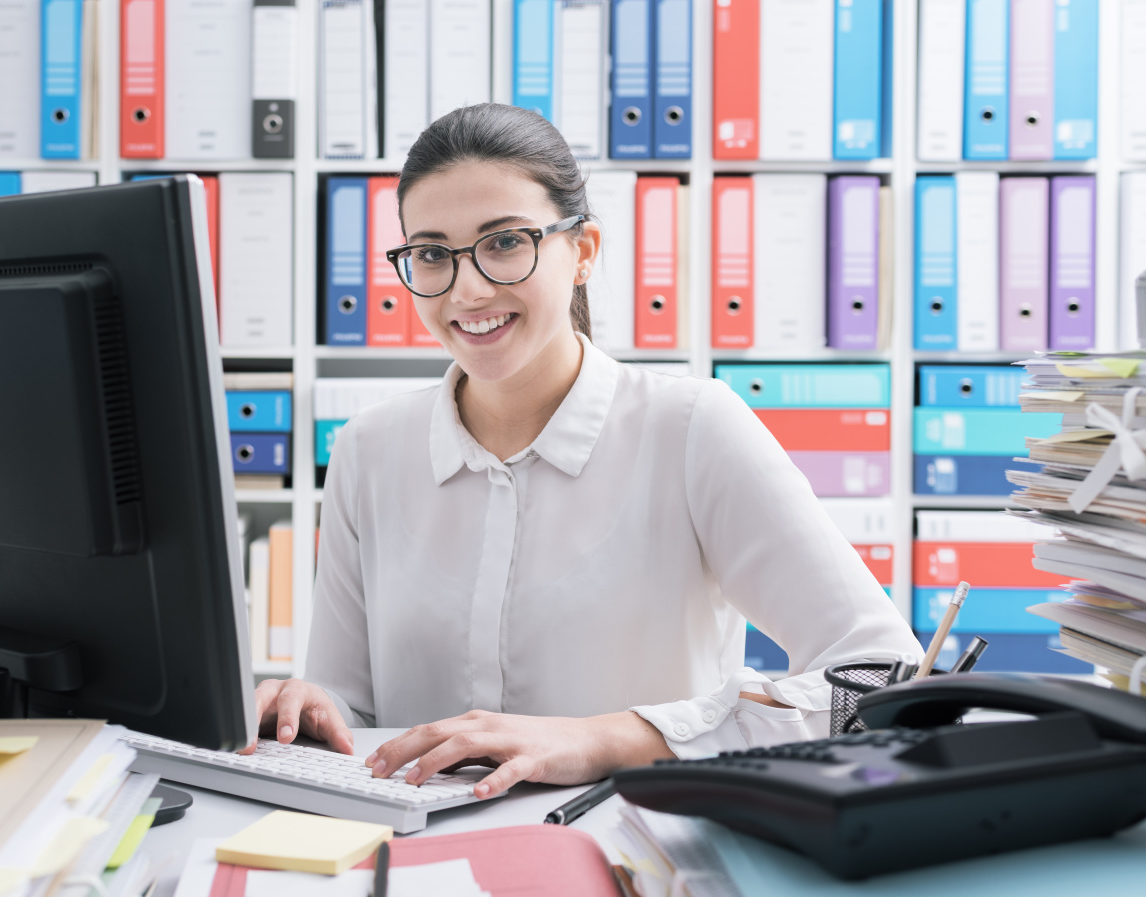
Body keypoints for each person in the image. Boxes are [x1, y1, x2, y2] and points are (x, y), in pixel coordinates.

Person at [244, 103, 918, 798]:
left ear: (584, 251)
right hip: (416, 867)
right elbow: (349, 713)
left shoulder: (690, 428)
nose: (467, 288)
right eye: (432, 254)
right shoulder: (368, 451)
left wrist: (603, 739)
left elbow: (885, 674)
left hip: (632, 852)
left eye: (505, 242)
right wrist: (308, 712)